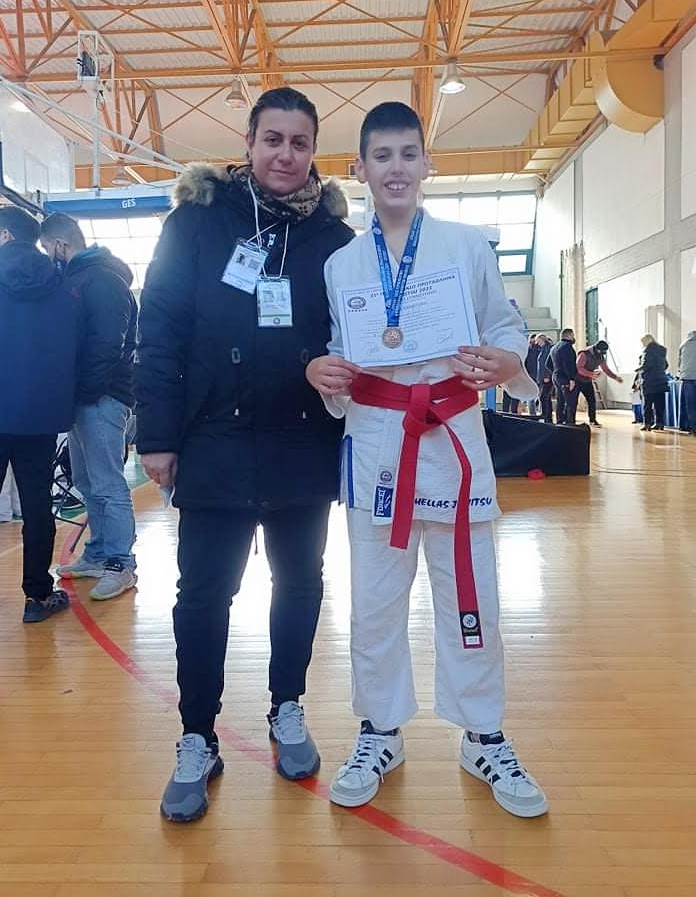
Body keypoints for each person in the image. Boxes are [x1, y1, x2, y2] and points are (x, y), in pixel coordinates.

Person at [306, 102, 547, 819]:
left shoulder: (468, 246)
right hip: (378, 446)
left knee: (471, 592)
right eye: (382, 156)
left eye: (408, 154)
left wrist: (506, 359)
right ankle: (380, 731)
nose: (397, 168)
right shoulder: (341, 263)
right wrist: (324, 372)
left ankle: (484, 734)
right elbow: (337, 347)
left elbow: (506, 326)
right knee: (375, 600)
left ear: (428, 163)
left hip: (453, 438)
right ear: (359, 169)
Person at [135, 87, 355, 822]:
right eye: (273, 139)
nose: (285, 155)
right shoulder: (197, 222)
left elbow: (351, 337)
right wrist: (157, 436)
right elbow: (159, 329)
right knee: (203, 596)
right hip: (213, 441)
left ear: (313, 150)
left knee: (300, 583)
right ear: (249, 144)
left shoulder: (334, 240)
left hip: (301, 443)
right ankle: (197, 736)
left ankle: (287, 706)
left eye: (299, 142)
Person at [0, 206, 78, 623]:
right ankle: (38, 595)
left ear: (3, 235)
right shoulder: (60, 279)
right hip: (40, 413)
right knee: (37, 504)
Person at [40, 213, 138, 601]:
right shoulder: (82, 278)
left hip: (102, 398)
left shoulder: (102, 280)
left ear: (60, 245)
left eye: (47, 248)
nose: (47, 255)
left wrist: (88, 391)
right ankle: (98, 553)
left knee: (109, 484)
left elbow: (107, 344)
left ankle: (121, 562)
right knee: (87, 482)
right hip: (83, 398)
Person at [575, 339, 624, 427]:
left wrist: (615, 377)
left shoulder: (600, 356)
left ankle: (592, 420)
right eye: (601, 351)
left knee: (592, 401)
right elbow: (578, 368)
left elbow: (605, 369)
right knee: (573, 401)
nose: (602, 354)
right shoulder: (584, 354)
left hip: (587, 381)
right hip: (577, 380)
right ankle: (569, 420)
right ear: (596, 348)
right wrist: (591, 374)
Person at [638, 334, 668, 431]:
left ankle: (647, 424)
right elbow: (666, 365)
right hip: (661, 380)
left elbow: (646, 365)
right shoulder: (662, 350)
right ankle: (660, 423)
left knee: (647, 404)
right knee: (660, 404)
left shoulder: (647, 351)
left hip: (649, 381)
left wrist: (638, 369)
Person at [548, 328, 578, 425]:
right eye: (573, 335)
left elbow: (548, 364)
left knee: (560, 400)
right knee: (570, 401)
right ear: (569, 336)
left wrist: (556, 371)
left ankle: (560, 421)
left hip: (556, 377)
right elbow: (568, 365)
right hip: (565, 378)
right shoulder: (568, 347)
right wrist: (571, 379)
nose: (574, 337)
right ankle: (570, 422)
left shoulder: (554, 347)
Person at [678, 330, 696, 436]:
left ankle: (693, 428)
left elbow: (679, 362)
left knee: (690, 405)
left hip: (687, 377)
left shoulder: (683, 344)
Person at [535, 334, 554, 423]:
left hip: (547, 378)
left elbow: (547, 363)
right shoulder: (543, 349)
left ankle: (546, 416)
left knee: (544, 397)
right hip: (543, 378)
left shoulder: (547, 349)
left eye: (538, 341)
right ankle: (547, 416)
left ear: (542, 340)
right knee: (546, 397)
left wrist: (547, 376)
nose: (537, 343)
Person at [525, 334, 540, 416]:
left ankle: (533, 413)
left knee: (534, 396)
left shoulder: (529, 349)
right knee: (533, 396)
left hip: (533, 375)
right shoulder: (530, 349)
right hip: (533, 376)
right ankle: (533, 413)